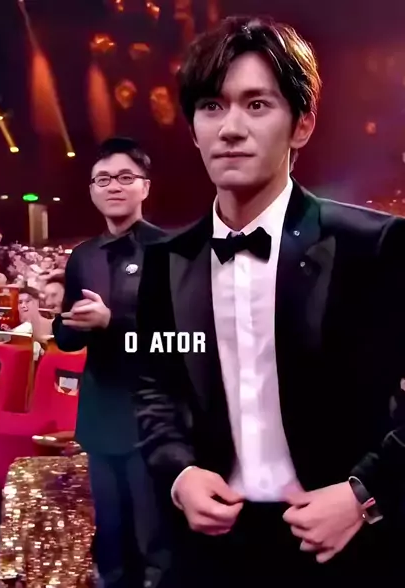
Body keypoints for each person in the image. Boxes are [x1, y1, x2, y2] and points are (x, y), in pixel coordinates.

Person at [134, 16, 405, 586]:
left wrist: (365, 493)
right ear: (194, 129)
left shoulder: (372, 246)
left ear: (301, 124)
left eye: (257, 105)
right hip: (211, 545)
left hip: (343, 540)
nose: (230, 128)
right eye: (212, 106)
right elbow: (157, 386)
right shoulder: (167, 261)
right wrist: (180, 474)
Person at [53, 137, 169, 588]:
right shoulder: (83, 256)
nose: (113, 187)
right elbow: (68, 339)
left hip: (153, 416)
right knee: (111, 529)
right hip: (99, 411)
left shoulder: (171, 250)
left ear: (145, 187)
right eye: (102, 179)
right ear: (91, 190)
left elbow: (186, 341)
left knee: (154, 534)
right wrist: (67, 325)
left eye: (125, 177)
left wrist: (112, 323)